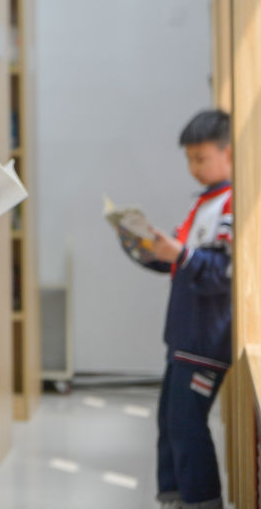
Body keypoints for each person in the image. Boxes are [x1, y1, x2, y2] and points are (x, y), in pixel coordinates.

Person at [124, 109, 232, 509]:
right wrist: (140, 246)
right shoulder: (205, 203)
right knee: (170, 423)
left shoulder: (231, 206)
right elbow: (178, 261)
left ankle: (202, 501)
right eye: (188, 159)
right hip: (183, 337)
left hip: (206, 338)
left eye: (200, 158)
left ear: (229, 154)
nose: (193, 168)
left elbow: (222, 273)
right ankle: (175, 498)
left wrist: (179, 253)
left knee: (187, 426)